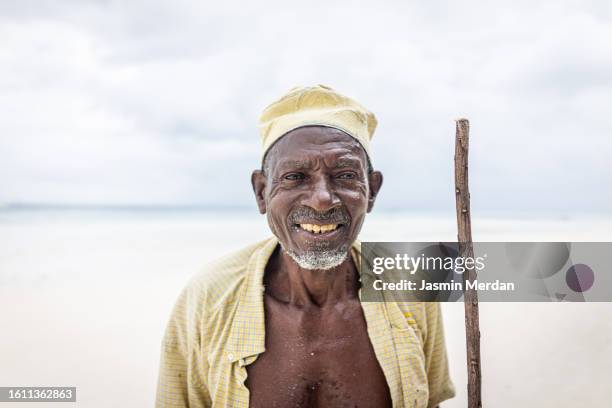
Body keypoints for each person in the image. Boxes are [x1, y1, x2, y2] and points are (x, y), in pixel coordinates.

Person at [155, 85, 455, 407]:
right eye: (295, 177)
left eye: (344, 175)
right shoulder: (210, 296)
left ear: (373, 191)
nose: (323, 199)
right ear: (260, 192)